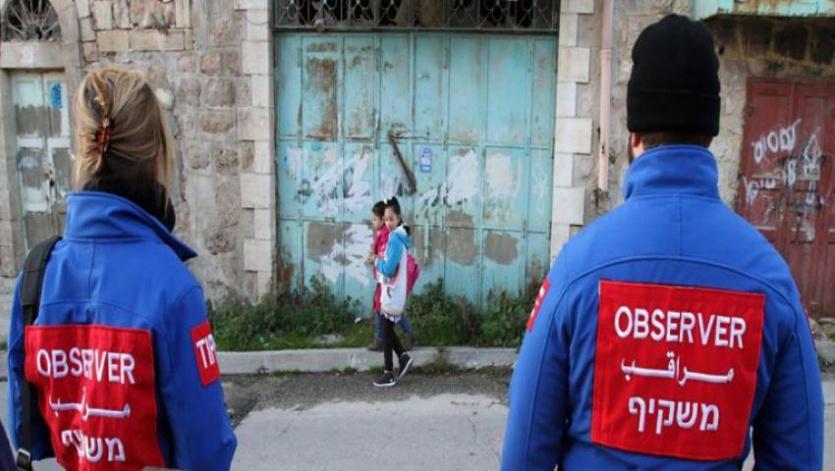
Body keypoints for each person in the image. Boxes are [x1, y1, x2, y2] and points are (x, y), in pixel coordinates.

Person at [502, 14, 823, 470]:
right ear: (710, 133)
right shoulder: (771, 280)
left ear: (634, 135)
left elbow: (524, 453)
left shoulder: (578, 268)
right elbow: (797, 458)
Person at [6, 68, 237, 470]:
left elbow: (26, 429)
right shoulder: (173, 288)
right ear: (157, 156)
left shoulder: (35, 275)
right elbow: (207, 452)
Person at [371, 197, 415, 388]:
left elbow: (389, 269)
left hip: (392, 292)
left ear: (399, 218)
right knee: (387, 328)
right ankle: (403, 358)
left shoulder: (395, 238)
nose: (388, 223)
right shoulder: (400, 236)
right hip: (395, 291)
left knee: (386, 329)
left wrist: (376, 261)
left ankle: (389, 373)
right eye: (386, 219)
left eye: (391, 219)